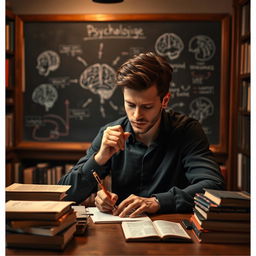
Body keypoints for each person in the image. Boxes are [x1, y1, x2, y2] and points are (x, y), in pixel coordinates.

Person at [58, 52, 224, 217]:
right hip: (120, 233)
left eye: (147, 107)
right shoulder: (110, 133)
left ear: (165, 101)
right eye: (130, 105)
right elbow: (63, 196)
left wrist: (158, 202)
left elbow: (213, 186)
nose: (136, 116)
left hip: (175, 234)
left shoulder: (187, 131)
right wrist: (99, 158)